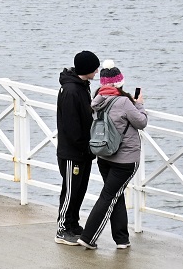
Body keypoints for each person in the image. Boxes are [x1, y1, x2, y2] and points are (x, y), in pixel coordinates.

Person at [78, 60, 147, 252]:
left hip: (104, 156)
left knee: (115, 195)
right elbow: (141, 122)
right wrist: (139, 105)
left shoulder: (97, 100)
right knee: (109, 196)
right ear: (120, 84)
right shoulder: (125, 102)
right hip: (125, 161)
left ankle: (121, 239)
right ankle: (88, 237)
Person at [55, 50, 100, 246]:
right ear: (87, 69)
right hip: (73, 152)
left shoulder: (82, 86)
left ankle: (73, 224)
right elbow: (72, 126)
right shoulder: (72, 91)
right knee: (71, 190)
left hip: (83, 151)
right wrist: (84, 147)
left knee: (80, 189)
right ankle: (62, 228)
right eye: (95, 68)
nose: (97, 71)